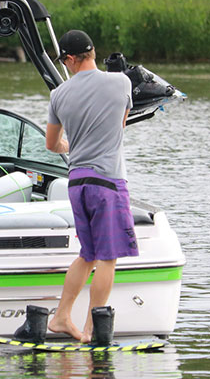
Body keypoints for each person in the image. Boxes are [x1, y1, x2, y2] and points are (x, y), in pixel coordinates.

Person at [45, 30, 139, 343]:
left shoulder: (58, 94)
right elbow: (121, 124)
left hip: (77, 182)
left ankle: (61, 317)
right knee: (107, 258)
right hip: (108, 182)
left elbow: (52, 144)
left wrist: (71, 144)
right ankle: (91, 329)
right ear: (93, 51)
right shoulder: (121, 82)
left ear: (69, 59)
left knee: (87, 254)